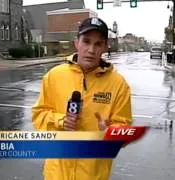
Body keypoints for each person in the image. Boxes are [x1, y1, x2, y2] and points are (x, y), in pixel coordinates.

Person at [32, 17, 133, 180]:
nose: (91, 50)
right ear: (76, 43)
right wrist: (60, 121)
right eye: (86, 41)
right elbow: (39, 116)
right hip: (56, 174)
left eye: (98, 44)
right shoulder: (54, 76)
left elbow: (125, 128)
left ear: (105, 48)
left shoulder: (118, 85)